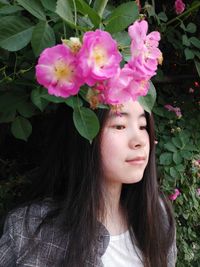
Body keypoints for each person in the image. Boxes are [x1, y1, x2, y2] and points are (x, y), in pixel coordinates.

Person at [0, 19, 176, 267]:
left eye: (143, 126)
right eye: (119, 125)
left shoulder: (157, 217)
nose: (139, 141)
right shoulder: (30, 232)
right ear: (83, 134)